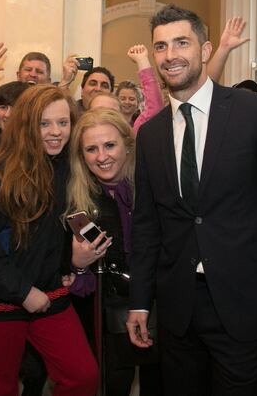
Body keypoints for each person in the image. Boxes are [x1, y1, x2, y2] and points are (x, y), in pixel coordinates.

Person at [125, 4, 257, 396]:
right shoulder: (150, 134)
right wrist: (140, 302)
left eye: (181, 43)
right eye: (161, 46)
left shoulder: (254, 112)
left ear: (205, 50)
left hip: (245, 303)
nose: (171, 55)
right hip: (178, 309)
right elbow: (148, 225)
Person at [0, 84, 98, 396]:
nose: (55, 132)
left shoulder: (70, 169)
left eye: (63, 123)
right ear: (26, 124)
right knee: (0, 388)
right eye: (44, 123)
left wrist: (72, 264)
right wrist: (22, 291)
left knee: (83, 375)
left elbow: (59, 232)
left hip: (51, 295)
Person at [66, 107, 162, 396]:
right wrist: (78, 264)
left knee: (160, 382)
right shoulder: (76, 199)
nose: (102, 157)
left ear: (127, 144)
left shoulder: (154, 187)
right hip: (104, 310)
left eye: (110, 145)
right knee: (112, 385)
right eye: (91, 149)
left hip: (159, 303)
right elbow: (65, 266)